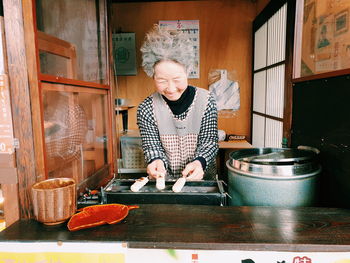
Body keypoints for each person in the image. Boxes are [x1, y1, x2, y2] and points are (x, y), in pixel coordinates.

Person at [137, 24, 218, 181]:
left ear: (187, 71)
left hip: (203, 181)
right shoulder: (146, 108)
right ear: (152, 75)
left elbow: (209, 142)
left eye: (177, 79)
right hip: (164, 183)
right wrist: (156, 161)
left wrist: (199, 162)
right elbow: (152, 147)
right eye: (161, 80)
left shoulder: (206, 101)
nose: (171, 88)